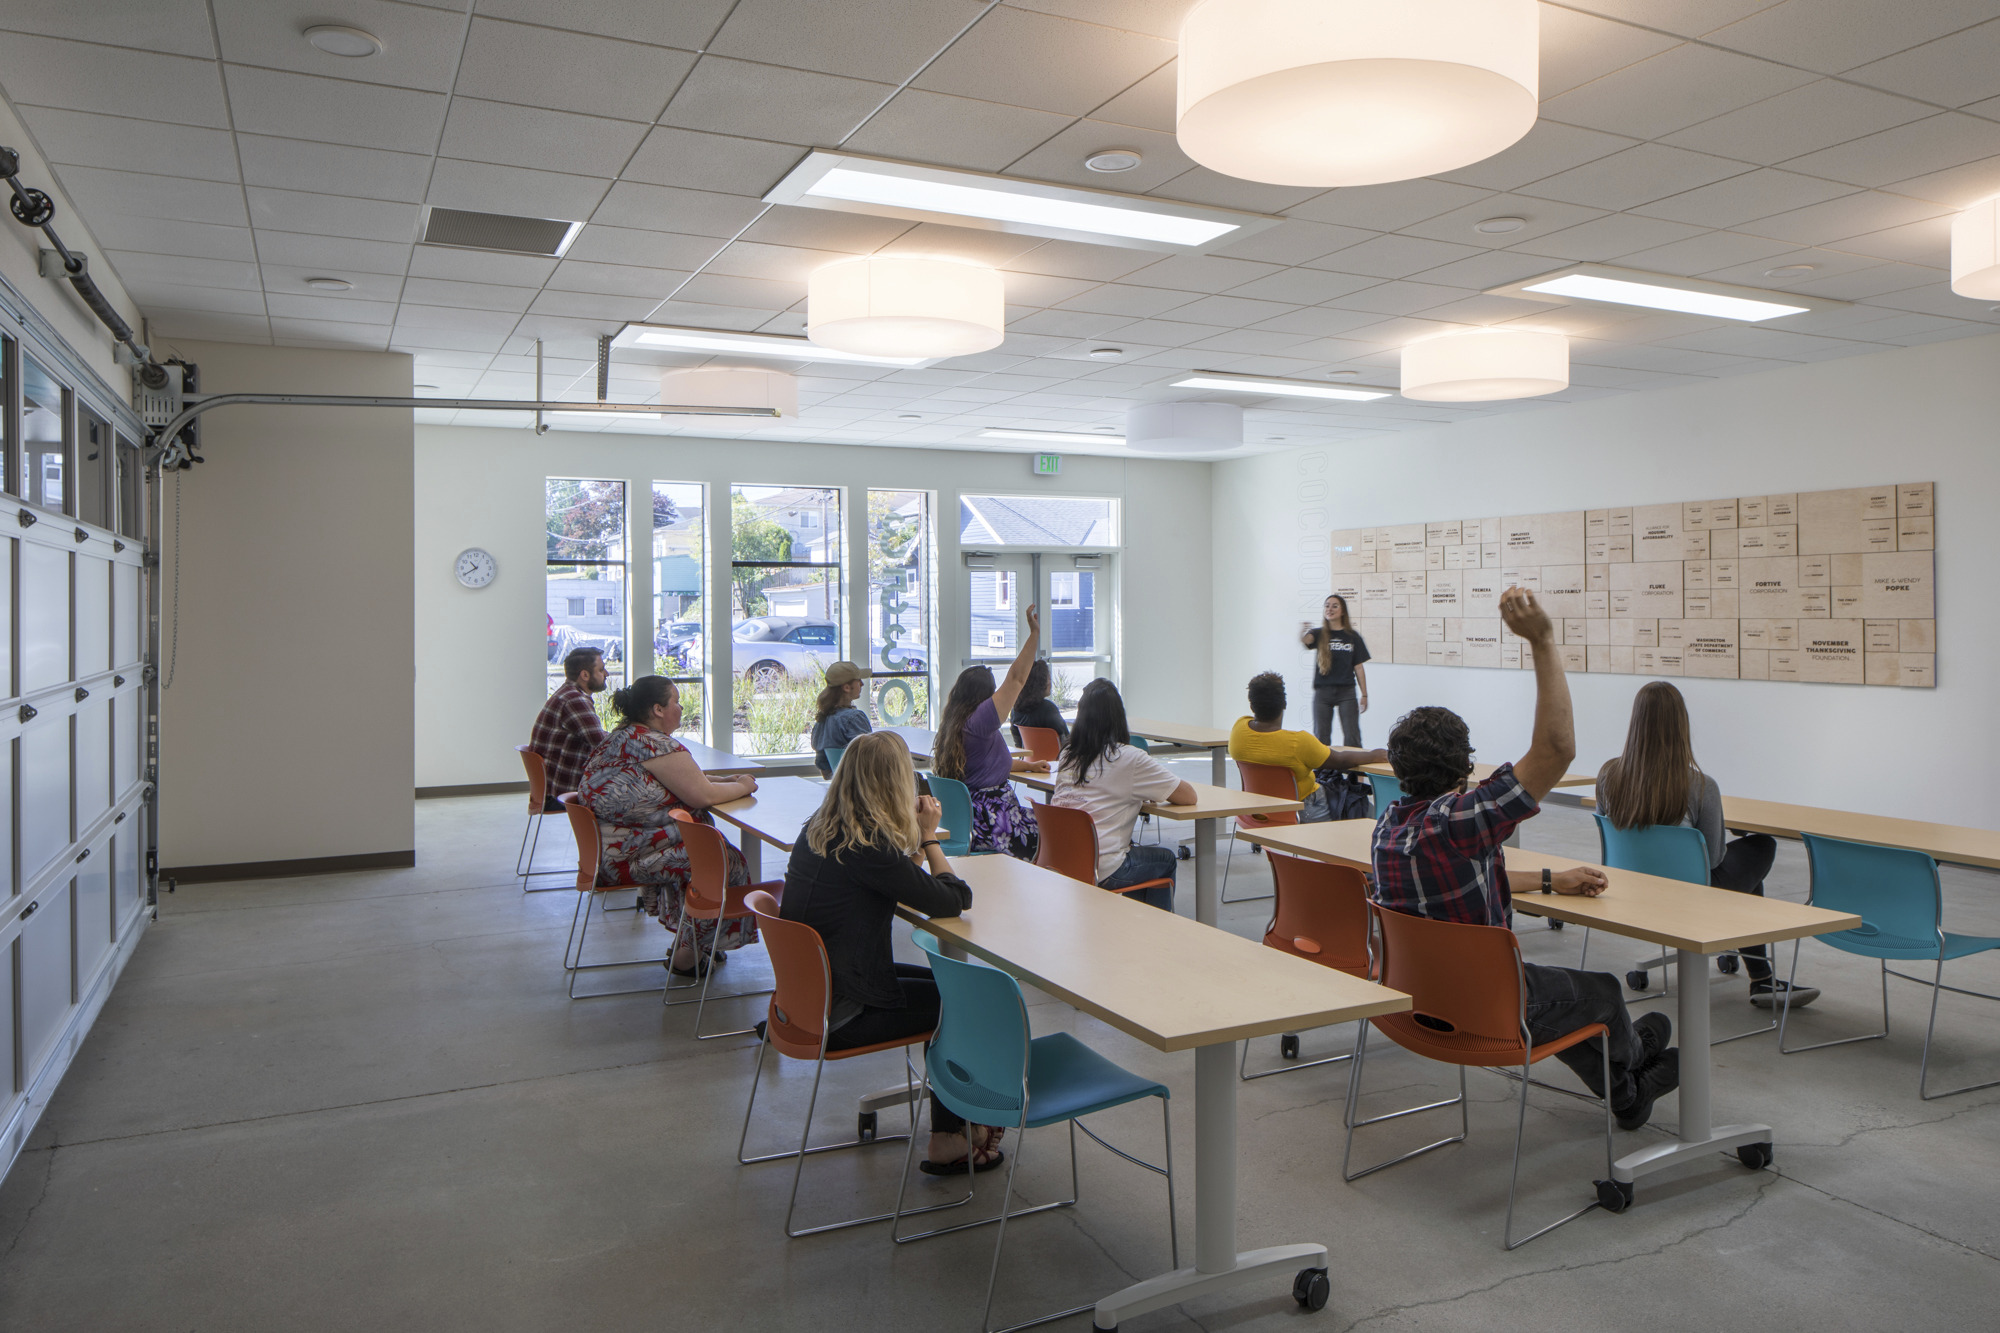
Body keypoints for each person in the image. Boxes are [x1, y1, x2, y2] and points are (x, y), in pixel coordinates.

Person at [1372, 587, 1681, 1131]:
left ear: (1398, 766)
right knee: (1604, 992)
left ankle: (1627, 1089)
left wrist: (1548, 879)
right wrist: (1541, 639)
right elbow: (1556, 749)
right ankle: (1635, 1066)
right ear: (1464, 765)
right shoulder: (1462, 822)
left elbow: (1460, 881)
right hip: (1484, 1008)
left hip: (1419, 999)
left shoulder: (1391, 827)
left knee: (1560, 997)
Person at [781, 732, 1002, 1174]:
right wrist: (929, 838)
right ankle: (949, 1137)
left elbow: (900, 882)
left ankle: (955, 1125)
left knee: (949, 988)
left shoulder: (822, 830)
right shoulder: (867, 848)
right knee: (960, 1003)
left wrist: (912, 855)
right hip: (845, 1011)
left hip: (812, 998)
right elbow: (952, 899)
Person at [1597, 681, 1818, 1010]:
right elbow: (1714, 859)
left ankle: (1762, 978)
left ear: (1635, 722)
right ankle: (1761, 979)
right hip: (1692, 894)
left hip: (1632, 887)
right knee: (1761, 847)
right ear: (1681, 725)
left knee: (1749, 875)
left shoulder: (1608, 775)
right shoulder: (1700, 785)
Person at [576, 676, 761, 976]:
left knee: (702, 853)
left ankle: (691, 943)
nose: (680, 707)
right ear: (658, 709)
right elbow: (702, 795)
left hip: (609, 851)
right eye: (676, 701)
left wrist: (726, 781)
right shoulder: (655, 745)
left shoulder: (625, 737)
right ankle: (689, 955)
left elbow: (683, 780)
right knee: (722, 862)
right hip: (626, 858)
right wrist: (743, 785)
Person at [1051, 679, 1195, 911]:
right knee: (1165, 860)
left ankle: (1128, 921)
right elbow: (1189, 796)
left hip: (1061, 859)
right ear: (1118, 717)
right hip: (1102, 867)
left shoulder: (1068, 753)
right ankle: (1156, 933)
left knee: (1136, 854)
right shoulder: (1129, 758)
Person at [933, 605, 1053, 859]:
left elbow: (986, 767)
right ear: (984, 697)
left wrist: (1029, 766)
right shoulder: (978, 722)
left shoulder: (954, 722)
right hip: (993, 823)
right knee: (1057, 830)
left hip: (971, 821)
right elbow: (1017, 679)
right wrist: (1034, 634)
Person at [1229, 671, 1386, 822]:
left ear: (1252, 706)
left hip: (1256, 811)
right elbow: (1339, 760)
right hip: (1304, 810)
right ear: (1284, 704)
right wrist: (1373, 755)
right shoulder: (1298, 742)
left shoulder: (1239, 730)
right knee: (1358, 803)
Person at [529, 647, 608, 811]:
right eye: (601, 670)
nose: (606, 674)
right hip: (561, 792)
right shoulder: (574, 699)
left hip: (551, 788)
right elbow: (603, 745)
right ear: (585, 675)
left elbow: (598, 738)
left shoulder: (568, 693)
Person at [1300, 593, 1372, 747]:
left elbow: (1358, 667)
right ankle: (1324, 771)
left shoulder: (1352, 637)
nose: (1330, 609)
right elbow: (1306, 641)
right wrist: (1303, 631)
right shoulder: (1319, 633)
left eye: (1334, 606)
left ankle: (1353, 771)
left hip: (1346, 692)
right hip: (1323, 692)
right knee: (1321, 736)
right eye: (1327, 606)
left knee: (1352, 735)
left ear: (1343, 611)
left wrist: (1364, 694)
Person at [810, 660, 874, 778]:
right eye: (858, 681)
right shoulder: (855, 718)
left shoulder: (821, 722)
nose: (862, 684)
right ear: (847, 687)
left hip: (837, 787)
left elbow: (823, 765)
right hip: (861, 786)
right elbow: (870, 759)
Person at [1007, 659, 1069, 750]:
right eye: (1048, 678)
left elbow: (1018, 744)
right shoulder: (1048, 709)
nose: (1050, 683)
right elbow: (1065, 739)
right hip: (1053, 761)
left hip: (1028, 760)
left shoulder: (1016, 710)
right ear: (1041, 683)